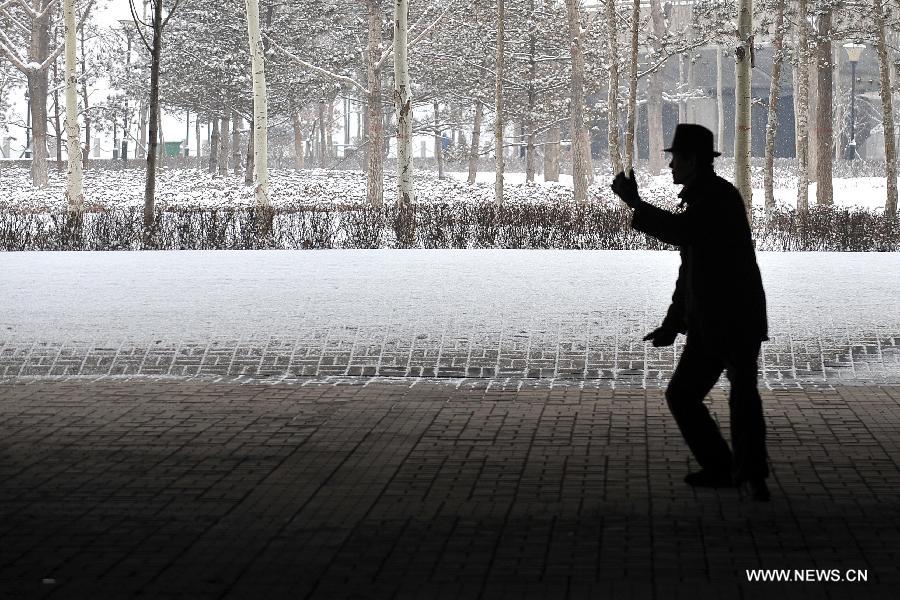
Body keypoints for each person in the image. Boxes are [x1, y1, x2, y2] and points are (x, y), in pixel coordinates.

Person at [610, 123, 771, 502]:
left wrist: (636, 204)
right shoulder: (707, 197)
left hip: (730, 321)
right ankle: (734, 470)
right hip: (719, 321)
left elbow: (683, 236)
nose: (670, 167)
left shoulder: (716, 199)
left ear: (692, 161)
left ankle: (742, 472)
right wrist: (672, 323)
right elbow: (690, 270)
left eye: (674, 159)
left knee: (725, 396)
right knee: (703, 396)